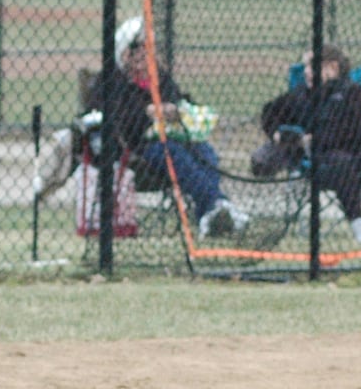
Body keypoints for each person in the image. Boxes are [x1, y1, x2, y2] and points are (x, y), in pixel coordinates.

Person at [86, 16, 246, 236]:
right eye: (136, 47)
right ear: (124, 52)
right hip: (138, 146)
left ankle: (209, 215)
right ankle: (219, 205)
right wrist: (148, 112)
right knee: (173, 153)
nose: (143, 53)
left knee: (205, 152)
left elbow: (181, 100)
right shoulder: (114, 80)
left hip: (171, 137)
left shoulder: (159, 77)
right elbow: (118, 119)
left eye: (148, 47)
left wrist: (176, 110)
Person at [257, 44, 361, 246]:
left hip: (357, 151)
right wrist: (278, 135)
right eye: (305, 66)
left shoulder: (353, 92)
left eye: (312, 66)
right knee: (340, 162)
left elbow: (355, 131)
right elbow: (269, 112)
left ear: (332, 68)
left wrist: (315, 138)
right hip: (323, 160)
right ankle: (359, 224)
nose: (306, 72)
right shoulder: (301, 96)